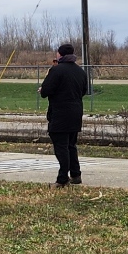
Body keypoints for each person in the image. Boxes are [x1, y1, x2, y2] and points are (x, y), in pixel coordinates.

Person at [38, 43, 88, 185]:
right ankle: (76, 175)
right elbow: (83, 91)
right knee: (71, 145)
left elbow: (46, 91)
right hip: (76, 113)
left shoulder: (56, 70)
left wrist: (43, 89)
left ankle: (62, 178)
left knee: (61, 147)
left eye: (57, 53)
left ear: (60, 55)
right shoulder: (81, 72)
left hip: (60, 114)